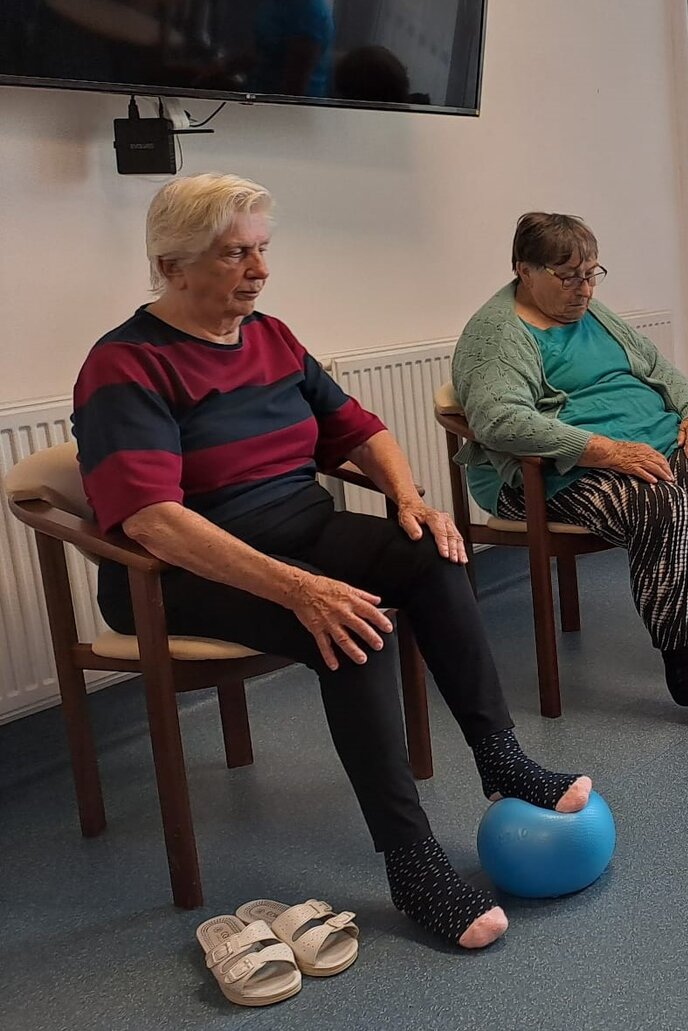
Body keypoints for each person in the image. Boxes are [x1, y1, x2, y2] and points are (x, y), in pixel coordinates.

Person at [72, 173, 590, 950]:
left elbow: (359, 428)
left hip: (300, 528)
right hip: (180, 573)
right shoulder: (125, 364)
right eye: (235, 254)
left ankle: (500, 758)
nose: (260, 269)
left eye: (261, 249)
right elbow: (154, 520)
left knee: (431, 552)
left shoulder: (272, 338)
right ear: (172, 265)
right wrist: (301, 589)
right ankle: (412, 863)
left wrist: (409, 497)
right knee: (351, 626)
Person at [451, 212, 688, 712]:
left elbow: (661, 370)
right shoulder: (496, 334)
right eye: (568, 277)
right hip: (551, 472)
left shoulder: (595, 314)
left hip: (648, 449)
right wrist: (605, 451)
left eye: (591, 274)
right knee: (661, 504)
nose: (584, 290)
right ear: (524, 271)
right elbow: (500, 421)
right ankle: (684, 666)